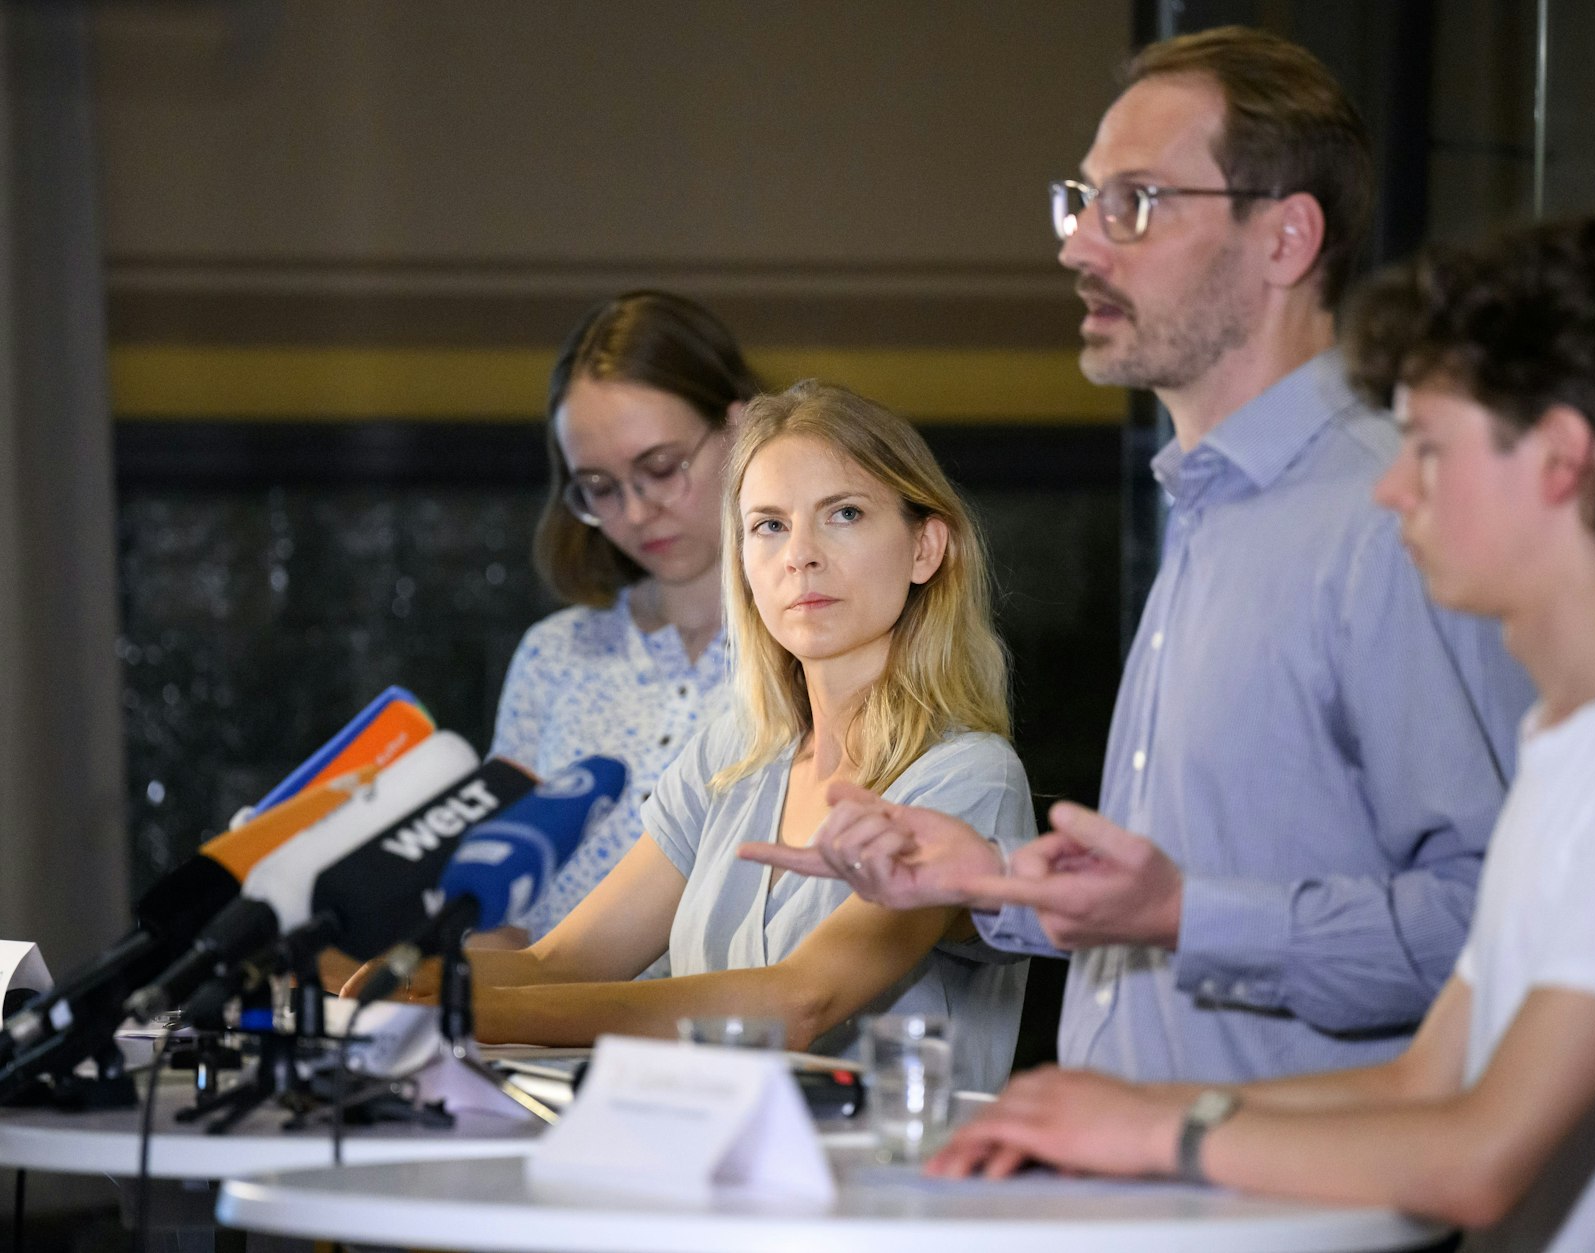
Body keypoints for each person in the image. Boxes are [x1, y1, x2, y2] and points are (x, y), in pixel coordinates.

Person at [928, 214, 1595, 1252]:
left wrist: (1154, 1127)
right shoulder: (1570, 739)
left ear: (1558, 459)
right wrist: (1089, 1116)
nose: (1390, 484)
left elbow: (1475, 1156)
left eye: (1427, 447)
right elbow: (1424, 1079)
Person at [745, 26, 1531, 1084]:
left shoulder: (1387, 514)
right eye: (1082, 200)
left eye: (1137, 204)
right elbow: (1188, 898)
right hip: (1153, 1180)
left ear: (1284, 240)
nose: (1077, 247)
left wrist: (1181, 913)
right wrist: (993, 885)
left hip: (1293, 1202)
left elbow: (1500, 928)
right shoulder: (1210, 508)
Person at [383, 381, 1033, 1093]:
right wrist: (378, 978)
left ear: (925, 547)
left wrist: (464, 1011)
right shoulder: (734, 753)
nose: (800, 556)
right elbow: (560, 962)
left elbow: (796, 1001)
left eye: (843, 513)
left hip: (887, 1189)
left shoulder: (968, 773)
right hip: (705, 1175)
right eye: (769, 525)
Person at [487, 291, 757, 944]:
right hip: (534, 1039)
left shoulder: (814, 649)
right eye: (600, 488)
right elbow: (498, 901)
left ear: (742, 427)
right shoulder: (556, 653)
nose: (635, 513)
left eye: (660, 468)